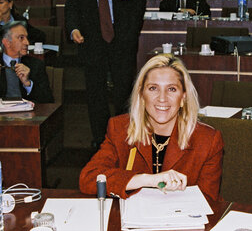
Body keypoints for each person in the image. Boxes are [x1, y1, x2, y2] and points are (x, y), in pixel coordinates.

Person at [79, 54, 223, 202]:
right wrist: (147, 180)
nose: (162, 98)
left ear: (183, 97)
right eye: (153, 88)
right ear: (142, 95)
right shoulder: (120, 129)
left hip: (179, 222)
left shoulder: (207, 140)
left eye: (172, 89)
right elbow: (88, 178)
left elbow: (207, 202)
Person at [65, 0, 146, 148]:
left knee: (124, 92)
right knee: (95, 95)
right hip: (93, 44)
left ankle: (127, 137)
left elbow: (139, 1)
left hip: (122, 43)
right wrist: (74, 29)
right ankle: (101, 141)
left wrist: (132, 32)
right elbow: (71, 9)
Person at [0, 20, 53, 104]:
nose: (27, 42)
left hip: (27, 115)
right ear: (7, 42)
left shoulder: (36, 65)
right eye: (21, 38)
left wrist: (28, 84)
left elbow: (48, 100)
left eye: (27, 38)